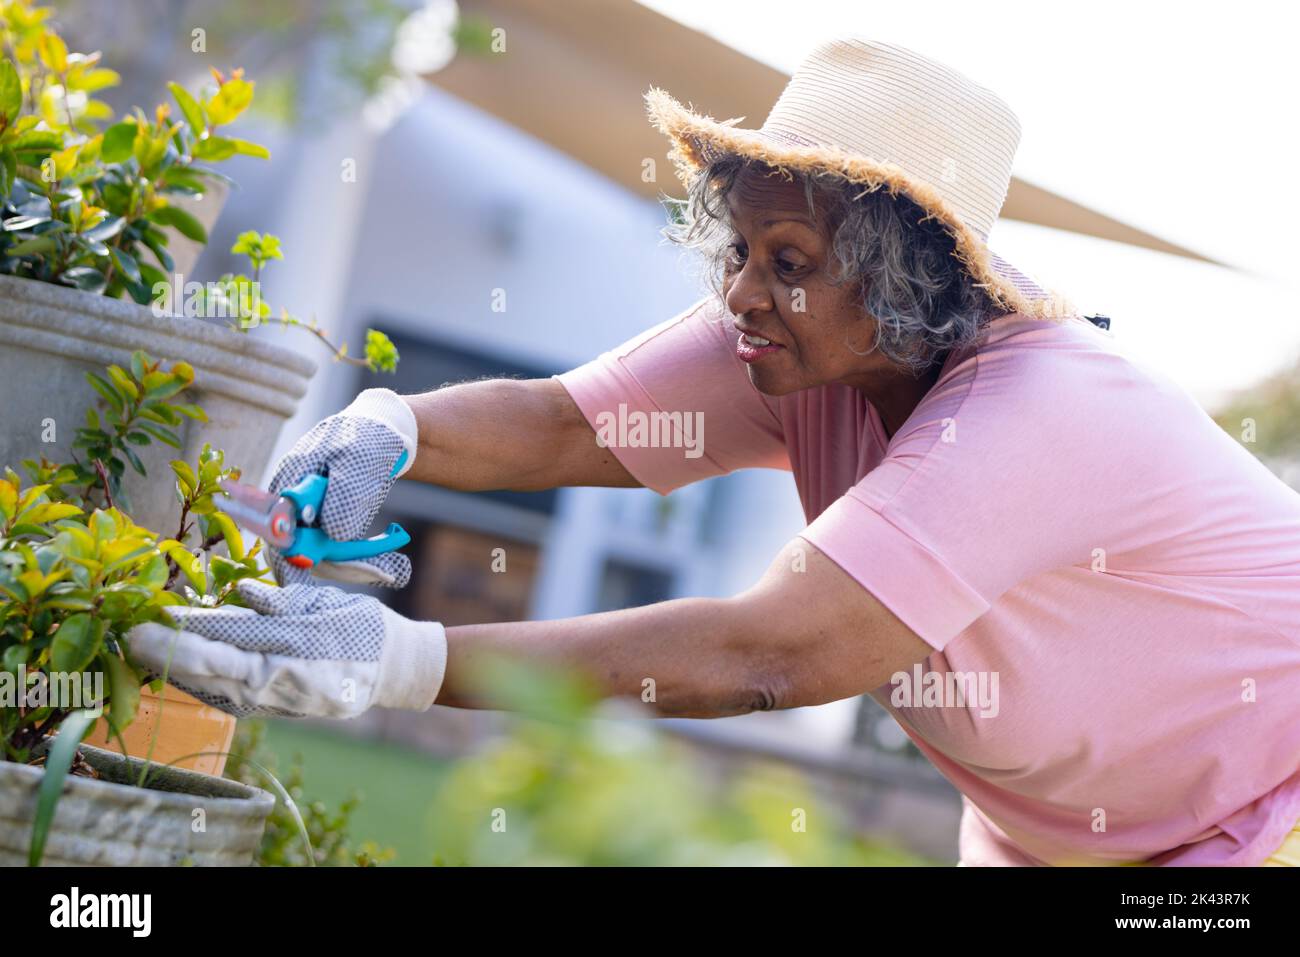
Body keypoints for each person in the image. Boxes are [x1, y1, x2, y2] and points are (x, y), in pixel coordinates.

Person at [130, 37, 1300, 867]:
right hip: (1050, 837)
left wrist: (400, 663)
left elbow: (768, 656)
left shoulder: (1044, 407)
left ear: (912, 278)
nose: (741, 292)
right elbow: (569, 425)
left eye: (785, 259)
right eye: (738, 249)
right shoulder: (799, 339)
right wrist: (387, 425)